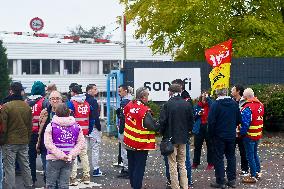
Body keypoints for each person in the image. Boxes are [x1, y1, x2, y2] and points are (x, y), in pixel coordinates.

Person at [160, 84, 193, 189]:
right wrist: (188, 133)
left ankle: (175, 186)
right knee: (182, 164)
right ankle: (185, 186)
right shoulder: (186, 104)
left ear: (170, 92)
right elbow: (191, 122)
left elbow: (162, 122)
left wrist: (161, 133)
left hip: (170, 138)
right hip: (183, 138)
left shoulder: (167, 105)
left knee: (172, 164)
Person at [44, 103, 86, 189]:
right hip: (69, 159)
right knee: (64, 185)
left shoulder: (51, 125)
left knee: (50, 184)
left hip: (53, 159)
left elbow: (48, 143)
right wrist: (71, 154)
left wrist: (60, 155)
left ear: (55, 112)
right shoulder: (76, 126)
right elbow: (81, 143)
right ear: (69, 112)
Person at [0, 82, 33, 189]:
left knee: (9, 167)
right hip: (23, 140)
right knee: (25, 165)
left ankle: (10, 187)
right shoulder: (27, 107)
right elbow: (29, 126)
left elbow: (3, 126)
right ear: (21, 92)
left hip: (9, 142)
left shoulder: (6, 107)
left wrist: (2, 141)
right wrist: (27, 138)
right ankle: (29, 186)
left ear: (11, 91)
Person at [123, 87, 158, 189]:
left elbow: (125, 116)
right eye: (147, 95)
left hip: (129, 141)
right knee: (139, 168)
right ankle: (137, 187)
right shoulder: (144, 110)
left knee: (131, 166)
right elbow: (153, 126)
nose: (148, 97)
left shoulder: (129, 105)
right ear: (143, 97)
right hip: (140, 144)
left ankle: (134, 185)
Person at [208, 88, 242, 189]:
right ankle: (232, 180)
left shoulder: (215, 105)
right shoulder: (234, 104)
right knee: (231, 157)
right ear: (226, 92)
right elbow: (239, 119)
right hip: (231, 135)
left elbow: (211, 122)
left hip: (218, 136)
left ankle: (221, 181)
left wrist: (211, 135)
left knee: (219, 158)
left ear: (217, 94)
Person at [37, 90, 63, 185]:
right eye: (52, 99)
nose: (55, 101)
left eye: (57, 99)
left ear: (61, 100)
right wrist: (38, 143)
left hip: (61, 148)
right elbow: (40, 129)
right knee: (48, 173)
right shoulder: (44, 112)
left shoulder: (68, 112)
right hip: (46, 148)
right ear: (49, 100)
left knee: (60, 175)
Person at [240, 88, 264, 184]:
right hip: (258, 133)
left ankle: (253, 175)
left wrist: (241, 133)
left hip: (249, 135)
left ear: (246, 97)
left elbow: (245, 124)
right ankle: (258, 172)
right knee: (254, 154)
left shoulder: (247, 107)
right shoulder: (260, 105)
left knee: (250, 155)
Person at [68, 85, 91, 185]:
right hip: (84, 132)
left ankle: (73, 178)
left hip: (74, 132)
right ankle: (86, 177)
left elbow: (68, 117)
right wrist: (88, 130)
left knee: (73, 154)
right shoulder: (86, 103)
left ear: (73, 92)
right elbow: (92, 116)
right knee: (84, 154)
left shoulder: (71, 103)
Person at [26, 81, 48, 185]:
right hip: (42, 134)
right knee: (45, 157)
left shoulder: (26, 102)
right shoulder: (44, 102)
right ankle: (46, 180)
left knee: (31, 159)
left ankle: (32, 180)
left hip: (30, 134)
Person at [192, 92, 214, 170]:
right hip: (199, 127)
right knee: (197, 146)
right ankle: (195, 163)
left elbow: (213, 106)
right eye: (203, 98)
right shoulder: (197, 106)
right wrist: (198, 114)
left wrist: (208, 98)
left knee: (210, 146)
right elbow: (193, 116)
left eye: (205, 98)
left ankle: (211, 163)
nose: (204, 100)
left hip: (208, 127)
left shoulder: (211, 105)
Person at [85, 84, 104, 177]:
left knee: (84, 150)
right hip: (93, 128)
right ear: (89, 90)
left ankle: (84, 169)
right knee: (95, 149)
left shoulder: (82, 100)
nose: (96, 90)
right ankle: (96, 169)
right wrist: (99, 128)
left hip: (84, 128)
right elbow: (95, 116)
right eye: (95, 89)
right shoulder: (93, 101)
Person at [231, 85, 249, 176]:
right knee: (231, 151)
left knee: (243, 151)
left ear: (238, 91)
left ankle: (245, 169)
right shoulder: (231, 101)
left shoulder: (245, 102)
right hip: (232, 130)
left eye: (233, 89)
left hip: (241, 131)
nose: (231, 91)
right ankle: (231, 170)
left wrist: (242, 129)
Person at [116, 85, 132, 178]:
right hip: (131, 129)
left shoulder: (125, 102)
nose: (119, 93)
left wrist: (121, 130)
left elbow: (123, 118)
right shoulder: (133, 100)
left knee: (125, 150)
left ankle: (127, 169)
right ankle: (129, 168)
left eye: (120, 91)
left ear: (125, 91)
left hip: (125, 128)